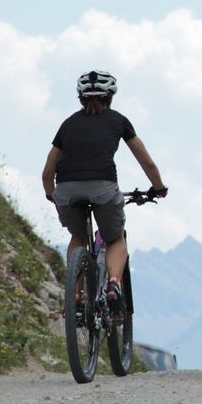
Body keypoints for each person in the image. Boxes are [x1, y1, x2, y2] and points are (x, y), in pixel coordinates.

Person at [42, 70, 167, 314]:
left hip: (66, 190)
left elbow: (48, 172)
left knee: (78, 237)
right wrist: (159, 188)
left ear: (80, 97)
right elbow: (147, 163)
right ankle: (114, 284)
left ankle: (75, 295)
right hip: (103, 188)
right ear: (110, 96)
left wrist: (52, 195)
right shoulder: (118, 120)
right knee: (114, 238)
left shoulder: (68, 124)